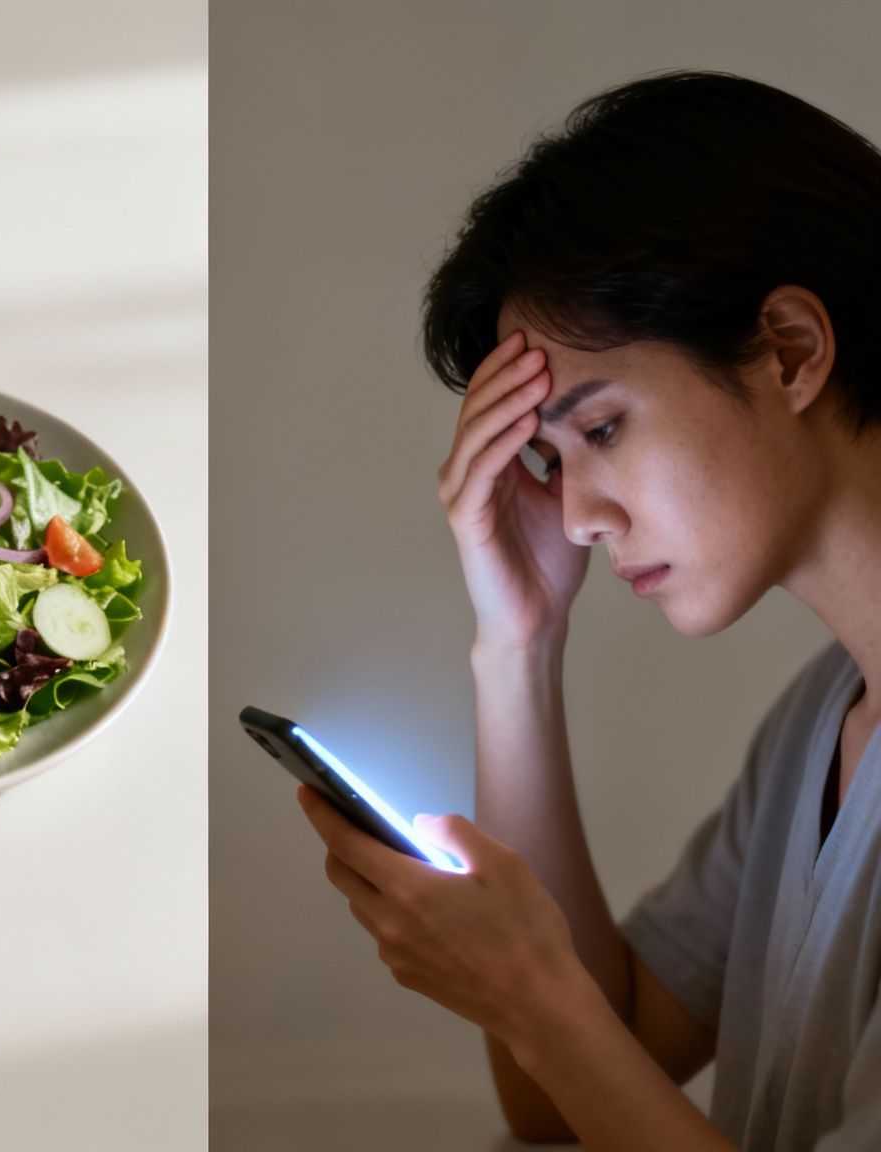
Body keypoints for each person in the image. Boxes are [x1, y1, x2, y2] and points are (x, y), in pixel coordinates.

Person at [295, 70, 881, 1151]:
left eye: (601, 430)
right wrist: (518, 641)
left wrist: (531, 997)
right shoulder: (821, 727)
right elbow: (558, 1098)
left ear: (789, 351)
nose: (574, 517)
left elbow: (565, 1041)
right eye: (549, 460)